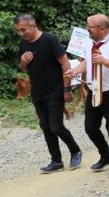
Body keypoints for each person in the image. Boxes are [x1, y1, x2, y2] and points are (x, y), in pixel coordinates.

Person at [16, 14, 82, 173]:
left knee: (56, 126)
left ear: (33, 25)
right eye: (18, 31)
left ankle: (75, 151)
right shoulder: (23, 44)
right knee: (45, 126)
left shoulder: (50, 40)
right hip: (38, 91)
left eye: (23, 30)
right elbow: (24, 68)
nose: (21, 33)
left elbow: (65, 64)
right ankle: (56, 161)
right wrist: (23, 63)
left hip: (55, 89)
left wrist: (67, 89)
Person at [65, 14, 109, 178]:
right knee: (90, 127)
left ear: (102, 29)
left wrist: (105, 61)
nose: (87, 29)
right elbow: (87, 62)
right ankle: (105, 155)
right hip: (93, 90)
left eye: (90, 27)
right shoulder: (89, 42)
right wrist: (75, 70)